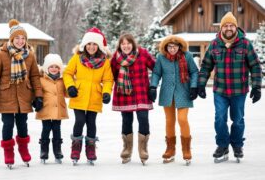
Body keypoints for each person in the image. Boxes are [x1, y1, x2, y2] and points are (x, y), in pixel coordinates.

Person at [198, 12, 262, 162]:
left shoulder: (245, 44)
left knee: (238, 119)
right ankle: (222, 145)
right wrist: (200, 84)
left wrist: (257, 86)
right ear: (221, 28)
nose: (228, 28)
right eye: (225, 25)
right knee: (220, 118)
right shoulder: (214, 44)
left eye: (231, 25)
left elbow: (255, 66)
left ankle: (237, 145)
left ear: (235, 27)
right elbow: (206, 66)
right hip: (220, 90)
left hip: (239, 90)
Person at [0, 19, 43, 168]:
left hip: (24, 96)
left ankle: (23, 149)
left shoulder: (30, 55)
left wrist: (38, 96)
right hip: (6, 96)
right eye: (17, 38)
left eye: (23, 38)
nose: (20, 41)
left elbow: (35, 76)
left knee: (23, 125)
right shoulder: (2, 55)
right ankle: (8, 152)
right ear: (11, 39)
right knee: (8, 125)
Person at [63, 27, 114, 164]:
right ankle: (76, 147)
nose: (91, 47)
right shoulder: (77, 58)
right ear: (84, 45)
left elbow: (108, 80)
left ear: (99, 46)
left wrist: (107, 92)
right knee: (79, 120)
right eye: (89, 44)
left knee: (91, 122)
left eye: (94, 44)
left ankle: (90, 148)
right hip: (78, 94)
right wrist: (70, 86)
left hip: (95, 96)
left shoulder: (105, 62)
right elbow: (67, 73)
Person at [150, 35, 198, 165]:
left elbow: (194, 72)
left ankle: (186, 148)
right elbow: (156, 73)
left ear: (179, 47)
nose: (172, 49)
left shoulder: (187, 56)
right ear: (165, 47)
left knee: (182, 119)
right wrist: (153, 86)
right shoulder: (161, 57)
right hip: (167, 92)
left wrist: (194, 87)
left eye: (175, 46)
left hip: (184, 91)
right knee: (169, 121)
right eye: (170, 47)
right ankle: (170, 149)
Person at [111, 33, 155, 165]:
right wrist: (122, 85)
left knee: (143, 118)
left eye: (128, 43)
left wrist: (153, 86)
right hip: (124, 94)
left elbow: (156, 68)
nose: (126, 46)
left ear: (133, 44)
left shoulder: (143, 53)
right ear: (120, 45)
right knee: (126, 120)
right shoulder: (115, 58)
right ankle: (127, 149)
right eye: (123, 44)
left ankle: (143, 149)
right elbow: (112, 75)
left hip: (142, 92)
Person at [36, 53, 69, 164]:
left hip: (58, 109)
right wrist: (36, 100)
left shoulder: (62, 80)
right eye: (51, 67)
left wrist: (72, 88)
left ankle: (57, 150)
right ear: (46, 68)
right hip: (45, 108)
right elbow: (36, 91)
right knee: (45, 129)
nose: (54, 69)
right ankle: (44, 151)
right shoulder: (41, 79)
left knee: (56, 129)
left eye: (56, 67)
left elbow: (67, 94)